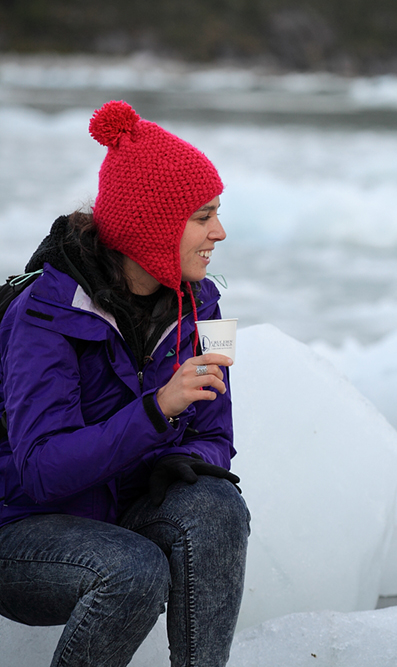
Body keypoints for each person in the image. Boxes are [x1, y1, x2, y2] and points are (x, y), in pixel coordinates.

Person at [0, 100, 249, 667]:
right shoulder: (43, 314)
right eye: (203, 217)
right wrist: (155, 411)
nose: (219, 232)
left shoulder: (201, 307)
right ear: (153, 227)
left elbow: (215, 437)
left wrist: (183, 461)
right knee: (133, 569)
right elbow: (41, 472)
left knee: (218, 505)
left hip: (123, 513)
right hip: (21, 530)